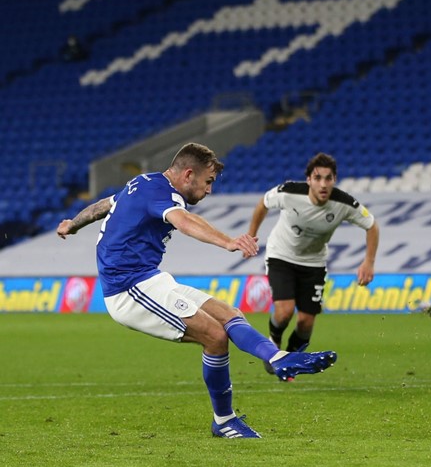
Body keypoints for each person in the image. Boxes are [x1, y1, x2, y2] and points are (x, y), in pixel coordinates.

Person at [57, 143, 337, 439]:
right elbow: (185, 221)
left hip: (151, 279)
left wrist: (73, 224)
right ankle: (225, 420)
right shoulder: (164, 195)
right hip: (128, 290)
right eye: (208, 182)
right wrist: (228, 241)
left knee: (229, 314)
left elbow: (104, 205)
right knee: (214, 336)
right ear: (188, 174)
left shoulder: (143, 182)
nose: (209, 191)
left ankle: (277, 358)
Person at [247, 153, 378, 375]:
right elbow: (263, 204)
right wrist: (251, 235)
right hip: (281, 255)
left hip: (314, 263)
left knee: (306, 322)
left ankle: (292, 362)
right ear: (309, 180)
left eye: (328, 178)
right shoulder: (288, 192)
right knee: (284, 311)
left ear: (334, 179)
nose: (323, 184)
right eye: (318, 178)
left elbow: (372, 226)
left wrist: (368, 262)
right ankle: (274, 343)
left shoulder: (343, 203)